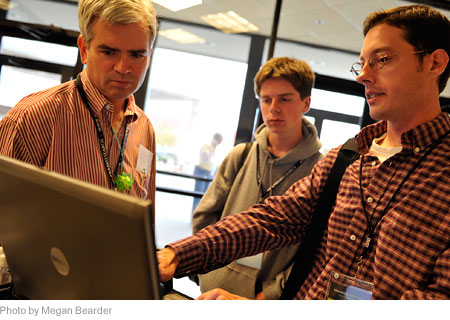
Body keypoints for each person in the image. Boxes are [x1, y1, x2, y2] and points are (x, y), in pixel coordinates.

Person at [158, 4, 450, 300]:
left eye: (382, 60)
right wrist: (177, 255)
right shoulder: (349, 159)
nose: (363, 75)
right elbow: (274, 219)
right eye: (361, 63)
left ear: (434, 63)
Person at [0, 0, 157, 213]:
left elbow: (147, 218)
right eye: (109, 52)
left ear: (148, 56)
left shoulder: (144, 128)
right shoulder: (34, 116)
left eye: (137, 55)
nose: (123, 68)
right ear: (84, 50)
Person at [192, 57, 322, 299]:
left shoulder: (322, 171)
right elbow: (205, 216)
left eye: (285, 98)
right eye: (266, 99)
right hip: (212, 291)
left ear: (306, 103)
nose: (274, 108)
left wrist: (268, 296)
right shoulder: (241, 156)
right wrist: (205, 272)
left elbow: (315, 250)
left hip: (265, 299)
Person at [192, 133, 223, 211]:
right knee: (197, 195)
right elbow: (205, 159)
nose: (217, 145)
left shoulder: (214, 149)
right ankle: (194, 214)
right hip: (201, 171)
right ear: (215, 140)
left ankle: (198, 214)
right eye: (217, 143)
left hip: (208, 172)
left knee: (204, 196)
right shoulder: (206, 147)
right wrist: (212, 149)